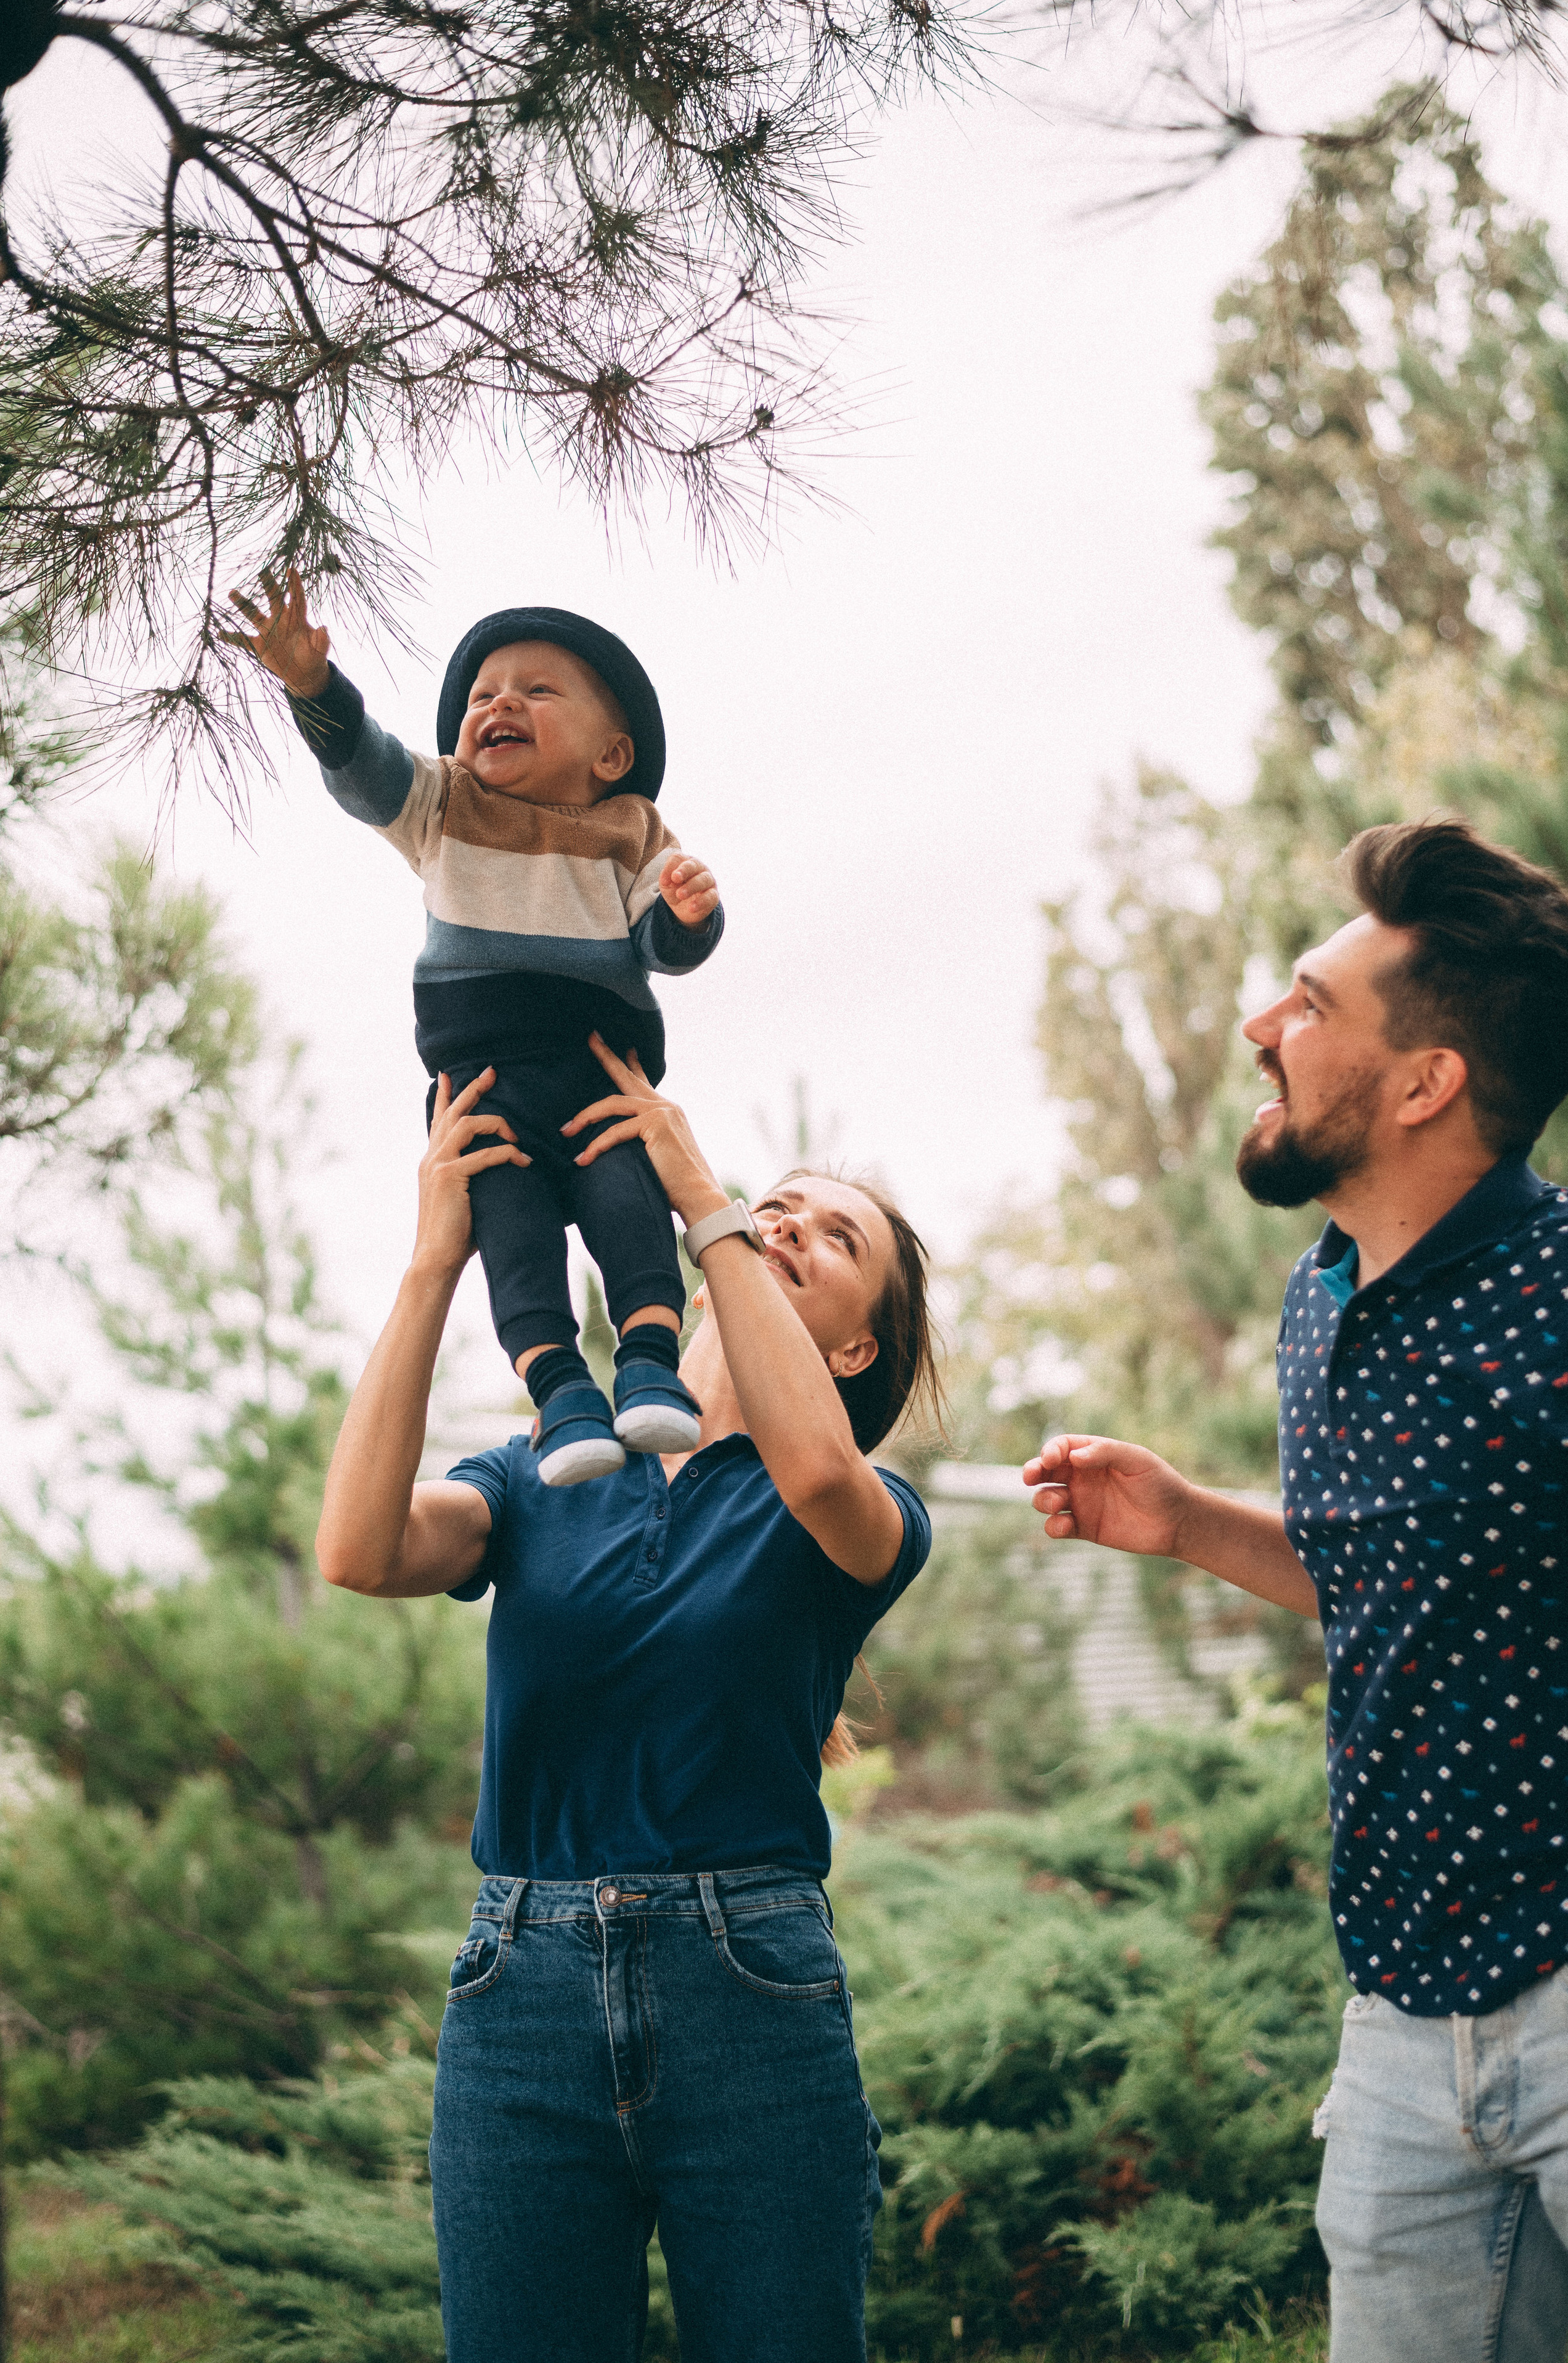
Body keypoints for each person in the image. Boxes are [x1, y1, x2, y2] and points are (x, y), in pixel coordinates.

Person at [1023, 818, 1568, 2363]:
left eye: (1308, 1003)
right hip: (1402, 2012)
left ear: (1423, 1083)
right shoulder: (1317, 1300)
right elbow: (1398, 1585)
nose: (1261, 1026)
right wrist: (1192, 1520)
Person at [315, 1032, 943, 2363]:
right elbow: (357, 1550)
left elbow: (820, 1475)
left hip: (748, 1999)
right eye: (775, 1206)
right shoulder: (551, 1468)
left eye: (831, 1239)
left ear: (850, 1351)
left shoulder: (858, 1513)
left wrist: (708, 1206)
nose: (782, 1226)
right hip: (519, 1998)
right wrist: (439, 1257)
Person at [228, 566, 723, 1485]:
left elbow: (663, 941)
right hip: (485, 1093)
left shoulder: (629, 826)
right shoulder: (448, 802)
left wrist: (690, 916)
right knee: (513, 1234)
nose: (501, 702)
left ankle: (650, 1364)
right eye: (485, 693)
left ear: (610, 754)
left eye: (537, 690)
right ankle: (561, 1390)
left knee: (630, 1209)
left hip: (599, 1079)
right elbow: (366, 767)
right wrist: (313, 688)